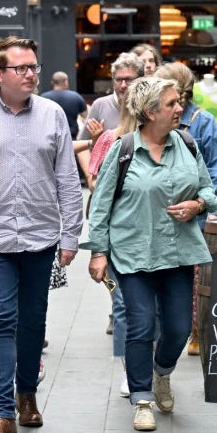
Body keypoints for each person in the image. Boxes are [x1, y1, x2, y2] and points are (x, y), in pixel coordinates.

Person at [86, 78, 217, 431]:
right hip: (132, 252)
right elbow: (100, 206)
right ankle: (142, 398)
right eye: (172, 104)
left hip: (177, 253)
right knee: (141, 322)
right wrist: (98, 252)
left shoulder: (187, 144)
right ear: (150, 112)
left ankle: (162, 373)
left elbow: (210, 189)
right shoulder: (124, 149)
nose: (180, 109)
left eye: (179, 102)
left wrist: (198, 203)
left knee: (177, 328)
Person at [0, 36, 83, 433]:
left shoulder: (53, 114)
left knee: (33, 322)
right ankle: (3, 414)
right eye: (22, 68)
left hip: (40, 236)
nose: (32, 74)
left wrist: (71, 235)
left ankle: (27, 396)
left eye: (34, 67)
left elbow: (68, 179)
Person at [156, 62, 217, 355]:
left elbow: (215, 171)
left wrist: (210, 211)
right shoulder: (152, 119)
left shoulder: (203, 122)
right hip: (161, 219)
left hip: (191, 219)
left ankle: (192, 333)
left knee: (191, 282)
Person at [76, 54, 145, 336]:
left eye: (129, 79)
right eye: (119, 80)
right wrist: (92, 180)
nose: (123, 85)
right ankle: (117, 312)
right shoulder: (102, 107)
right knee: (116, 275)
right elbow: (86, 146)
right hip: (111, 199)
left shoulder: (151, 107)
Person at [86, 101, 139, 398]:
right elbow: (94, 182)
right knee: (121, 304)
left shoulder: (169, 140)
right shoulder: (110, 138)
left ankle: (155, 368)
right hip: (118, 236)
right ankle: (130, 372)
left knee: (154, 309)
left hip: (155, 238)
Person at [41, 71, 87, 140]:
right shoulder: (76, 96)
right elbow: (86, 116)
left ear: (52, 83)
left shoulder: (43, 98)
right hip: (71, 138)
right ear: (65, 82)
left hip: (49, 138)